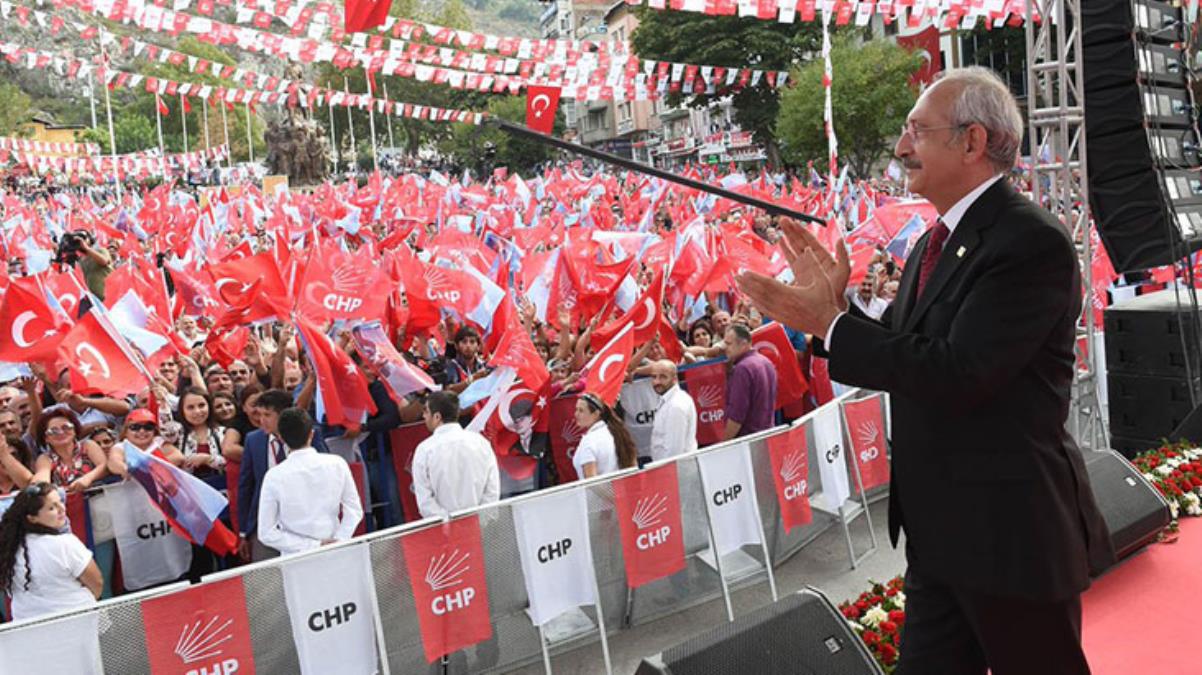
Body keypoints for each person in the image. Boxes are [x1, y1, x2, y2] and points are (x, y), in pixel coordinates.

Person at [737, 67, 1113, 674]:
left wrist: (832, 327)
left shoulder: (1029, 242)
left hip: (1008, 535)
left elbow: (960, 371)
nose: (900, 148)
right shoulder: (933, 240)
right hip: (940, 536)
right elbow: (911, 345)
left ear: (971, 142)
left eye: (917, 130)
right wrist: (840, 312)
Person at [256, 408, 362, 556]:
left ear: (281, 438)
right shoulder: (337, 463)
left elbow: (266, 532)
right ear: (311, 434)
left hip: (297, 558)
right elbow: (354, 510)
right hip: (335, 552)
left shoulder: (274, 476)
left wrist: (316, 545)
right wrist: (338, 540)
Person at [0, 482, 103, 621]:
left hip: (28, 628)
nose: (61, 508)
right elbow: (96, 583)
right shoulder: (66, 543)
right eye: (51, 508)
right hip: (78, 622)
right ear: (32, 518)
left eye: (60, 501)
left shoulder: (8, 549)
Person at [410, 392, 499, 519]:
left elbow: (424, 500)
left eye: (426, 411)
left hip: (446, 529)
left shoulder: (425, 450)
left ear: (437, 417)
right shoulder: (481, 442)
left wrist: (446, 523)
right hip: (478, 524)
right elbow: (492, 490)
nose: (423, 416)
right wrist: (481, 518)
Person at [722, 324, 778, 440]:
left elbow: (737, 415)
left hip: (748, 439)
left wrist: (723, 443)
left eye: (729, 344)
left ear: (743, 344)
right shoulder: (766, 361)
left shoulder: (742, 369)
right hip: (767, 434)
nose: (724, 348)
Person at [572, 392, 638, 479]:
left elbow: (592, 482)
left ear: (596, 414)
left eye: (581, 411)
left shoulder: (588, 441)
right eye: (576, 409)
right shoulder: (615, 432)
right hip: (619, 489)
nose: (576, 414)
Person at [648, 360, 698, 462]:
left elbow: (674, 452)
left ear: (674, 379)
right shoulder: (669, 399)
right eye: (654, 377)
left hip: (675, 470)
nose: (657, 382)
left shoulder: (676, 406)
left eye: (663, 377)